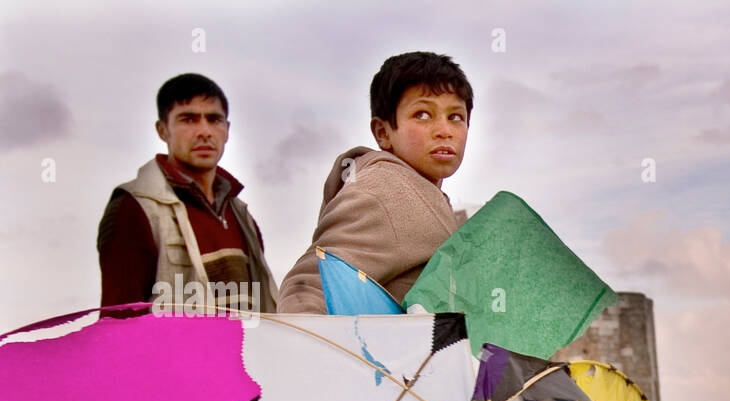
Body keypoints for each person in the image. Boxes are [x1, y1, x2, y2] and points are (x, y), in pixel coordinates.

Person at [278, 52, 470, 314]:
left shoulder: (427, 194)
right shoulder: (385, 189)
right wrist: (319, 352)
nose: (444, 130)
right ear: (383, 132)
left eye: (456, 117)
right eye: (423, 115)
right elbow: (307, 288)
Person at [97, 73, 278, 313]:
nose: (204, 131)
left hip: (243, 351)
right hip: (173, 352)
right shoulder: (134, 207)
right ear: (163, 130)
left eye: (214, 119)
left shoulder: (241, 215)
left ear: (227, 129)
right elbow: (117, 324)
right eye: (188, 119)